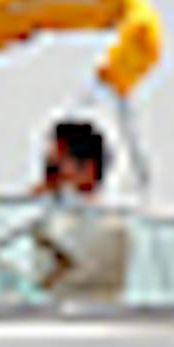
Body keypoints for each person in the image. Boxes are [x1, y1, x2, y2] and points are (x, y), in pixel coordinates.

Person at [32, 118, 130, 301]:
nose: (47, 180)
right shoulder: (55, 219)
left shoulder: (109, 225)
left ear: (87, 170)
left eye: (54, 169)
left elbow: (66, 267)